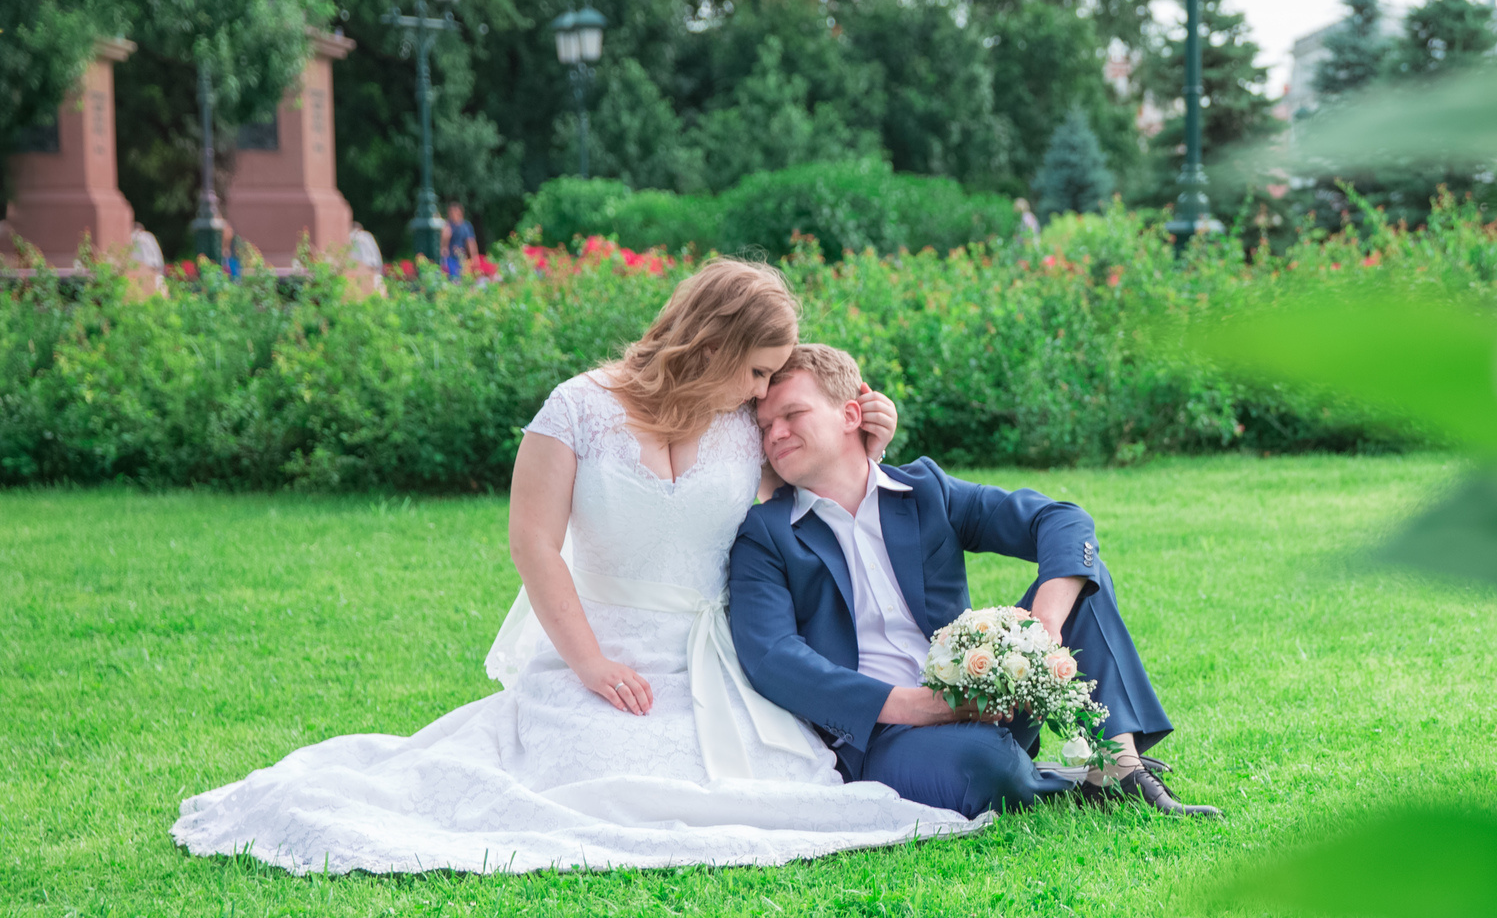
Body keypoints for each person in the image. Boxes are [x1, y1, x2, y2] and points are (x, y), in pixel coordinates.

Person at [174, 259, 985, 874]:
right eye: (756, 369)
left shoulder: (746, 427)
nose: (763, 390)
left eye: (773, 376)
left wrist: (869, 440)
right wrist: (590, 663)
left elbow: (818, 488)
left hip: (718, 661)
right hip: (601, 646)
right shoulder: (576, 409)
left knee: (771, 786)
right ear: (713, 343)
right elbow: (532, 542)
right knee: (587, 779)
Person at [729, 344, 1218, 820]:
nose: (776, 434)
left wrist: (1043, 627)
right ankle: (1058, 778)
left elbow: (1062, 521)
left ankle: (1118, 769)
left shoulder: (925, 491)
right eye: (765, 426)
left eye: (792, 414)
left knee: (1078, 579)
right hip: (885, 737)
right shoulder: (766, 534)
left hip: (992, 698)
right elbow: (773, 657)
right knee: (985, 764)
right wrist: (920, 706)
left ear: (851, 415)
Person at [440, 200, 480, 282]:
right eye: (450, 212)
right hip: (450, 258)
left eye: (454, 212)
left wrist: (475, 258)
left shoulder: (466, 226)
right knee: (452, 279)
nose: (452, 214)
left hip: (462, 258)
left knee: (462, 278)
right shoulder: (447, 226)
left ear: (460, 212)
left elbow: (471, 242)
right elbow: (443, 245)